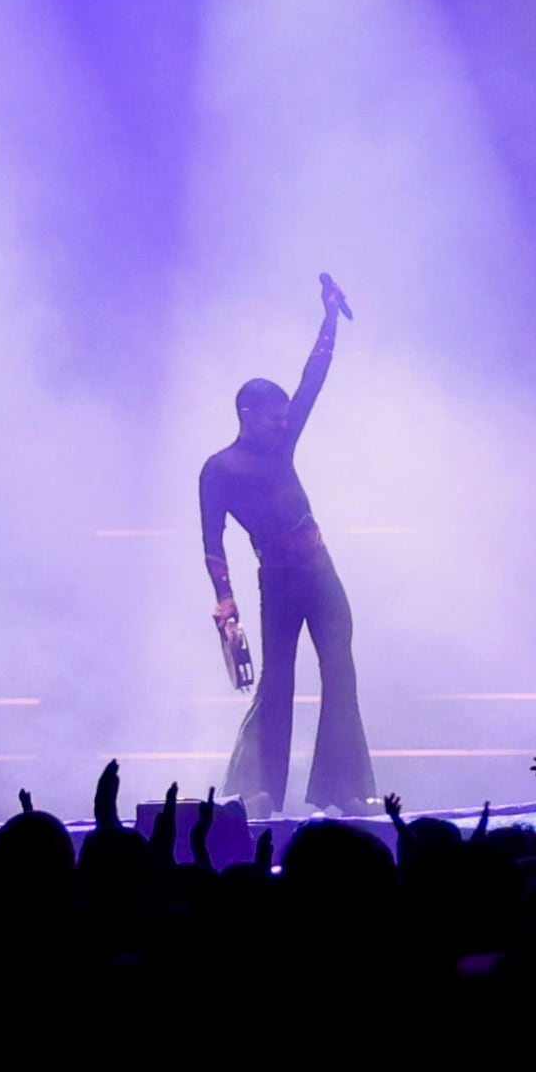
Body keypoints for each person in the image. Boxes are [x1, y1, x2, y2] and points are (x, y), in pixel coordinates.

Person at [203, 273, 376, 818]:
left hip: (320, 573)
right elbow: (213, 542)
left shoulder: (281, 441)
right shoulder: (219, 469)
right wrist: (225, 602)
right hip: (276, 580)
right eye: (275, 417)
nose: (285, 423)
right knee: (277, 685)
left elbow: (313, 378)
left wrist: (328, 317)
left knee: (340, 673)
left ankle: (341, 788)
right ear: (248, 416)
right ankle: (260, 790)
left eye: (286, 418)